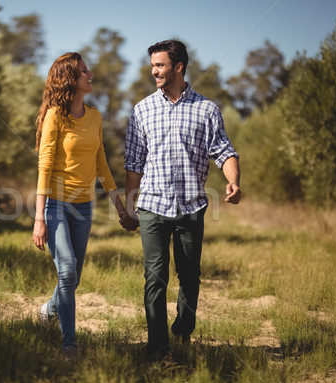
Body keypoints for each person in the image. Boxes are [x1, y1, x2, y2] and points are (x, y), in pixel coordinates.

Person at [120, 40, 241, 360]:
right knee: (154, 276)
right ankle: (157, 346)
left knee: (189, 276)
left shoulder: (206, 109)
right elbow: (134, 164)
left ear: (178, 67)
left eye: (159, 65)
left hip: (191, 207)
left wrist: (233, 181)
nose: (154, 71)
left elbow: (225, 151)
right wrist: (130, 209)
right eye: (152, 66)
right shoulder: (142, 109)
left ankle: (184, 328)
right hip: (153, 207)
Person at [32, 52, 125, 360]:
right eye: (85, 70)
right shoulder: (55, 116)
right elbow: (45, 165)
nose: (91, 73)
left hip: (84, 207)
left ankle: (48, 309)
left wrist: (119, 206)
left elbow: (101, 162)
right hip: (57, 205)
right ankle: (69, 343)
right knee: (68, 271)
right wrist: (39, 218)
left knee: (73, 278)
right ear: (70, 77)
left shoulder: (95, 116)